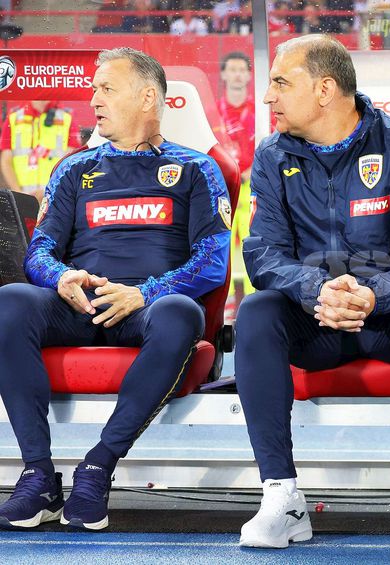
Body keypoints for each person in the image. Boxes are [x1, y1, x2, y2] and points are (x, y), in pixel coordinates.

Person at [234, 34, 390, 551]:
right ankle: (282, 497)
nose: (268, 97)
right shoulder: (272, 155)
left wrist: (375, 294)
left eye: (279, 83)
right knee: (255, 312)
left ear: (324, 89)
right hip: (315, 320)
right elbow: (263, 255)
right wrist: (321, 289)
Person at [0, 47, 231, 531]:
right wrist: (62, 277)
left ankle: (97, 467)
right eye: (94, 88)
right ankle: (38, 475)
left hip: (146, 310)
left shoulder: (196, 169)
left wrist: (144, 293)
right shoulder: (73, 168)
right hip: (77, 304)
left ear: (148, 98)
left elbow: (212, 262)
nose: (94, 98)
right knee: (10, 300)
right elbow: (38, 252)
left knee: (179, 314)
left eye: (107, 88)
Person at [216, 51, 256, 317]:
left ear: (250, 75)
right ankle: (227, 304)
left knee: (253, 238)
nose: (238, 74)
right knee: (224, 240)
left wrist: (251, 170)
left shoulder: (260, 111)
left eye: (243, 69)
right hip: (225, 186)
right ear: (223, 74)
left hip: (253, 185)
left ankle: (254, 301)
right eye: (233, 69)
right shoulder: (214, 112)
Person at [0, 100, 81, 202]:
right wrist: (18, 193)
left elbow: (71, 162)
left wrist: (49, 190)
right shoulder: (14, 117)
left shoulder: (66, 118)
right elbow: (6, 162)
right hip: (22, 198)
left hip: (55, 198)